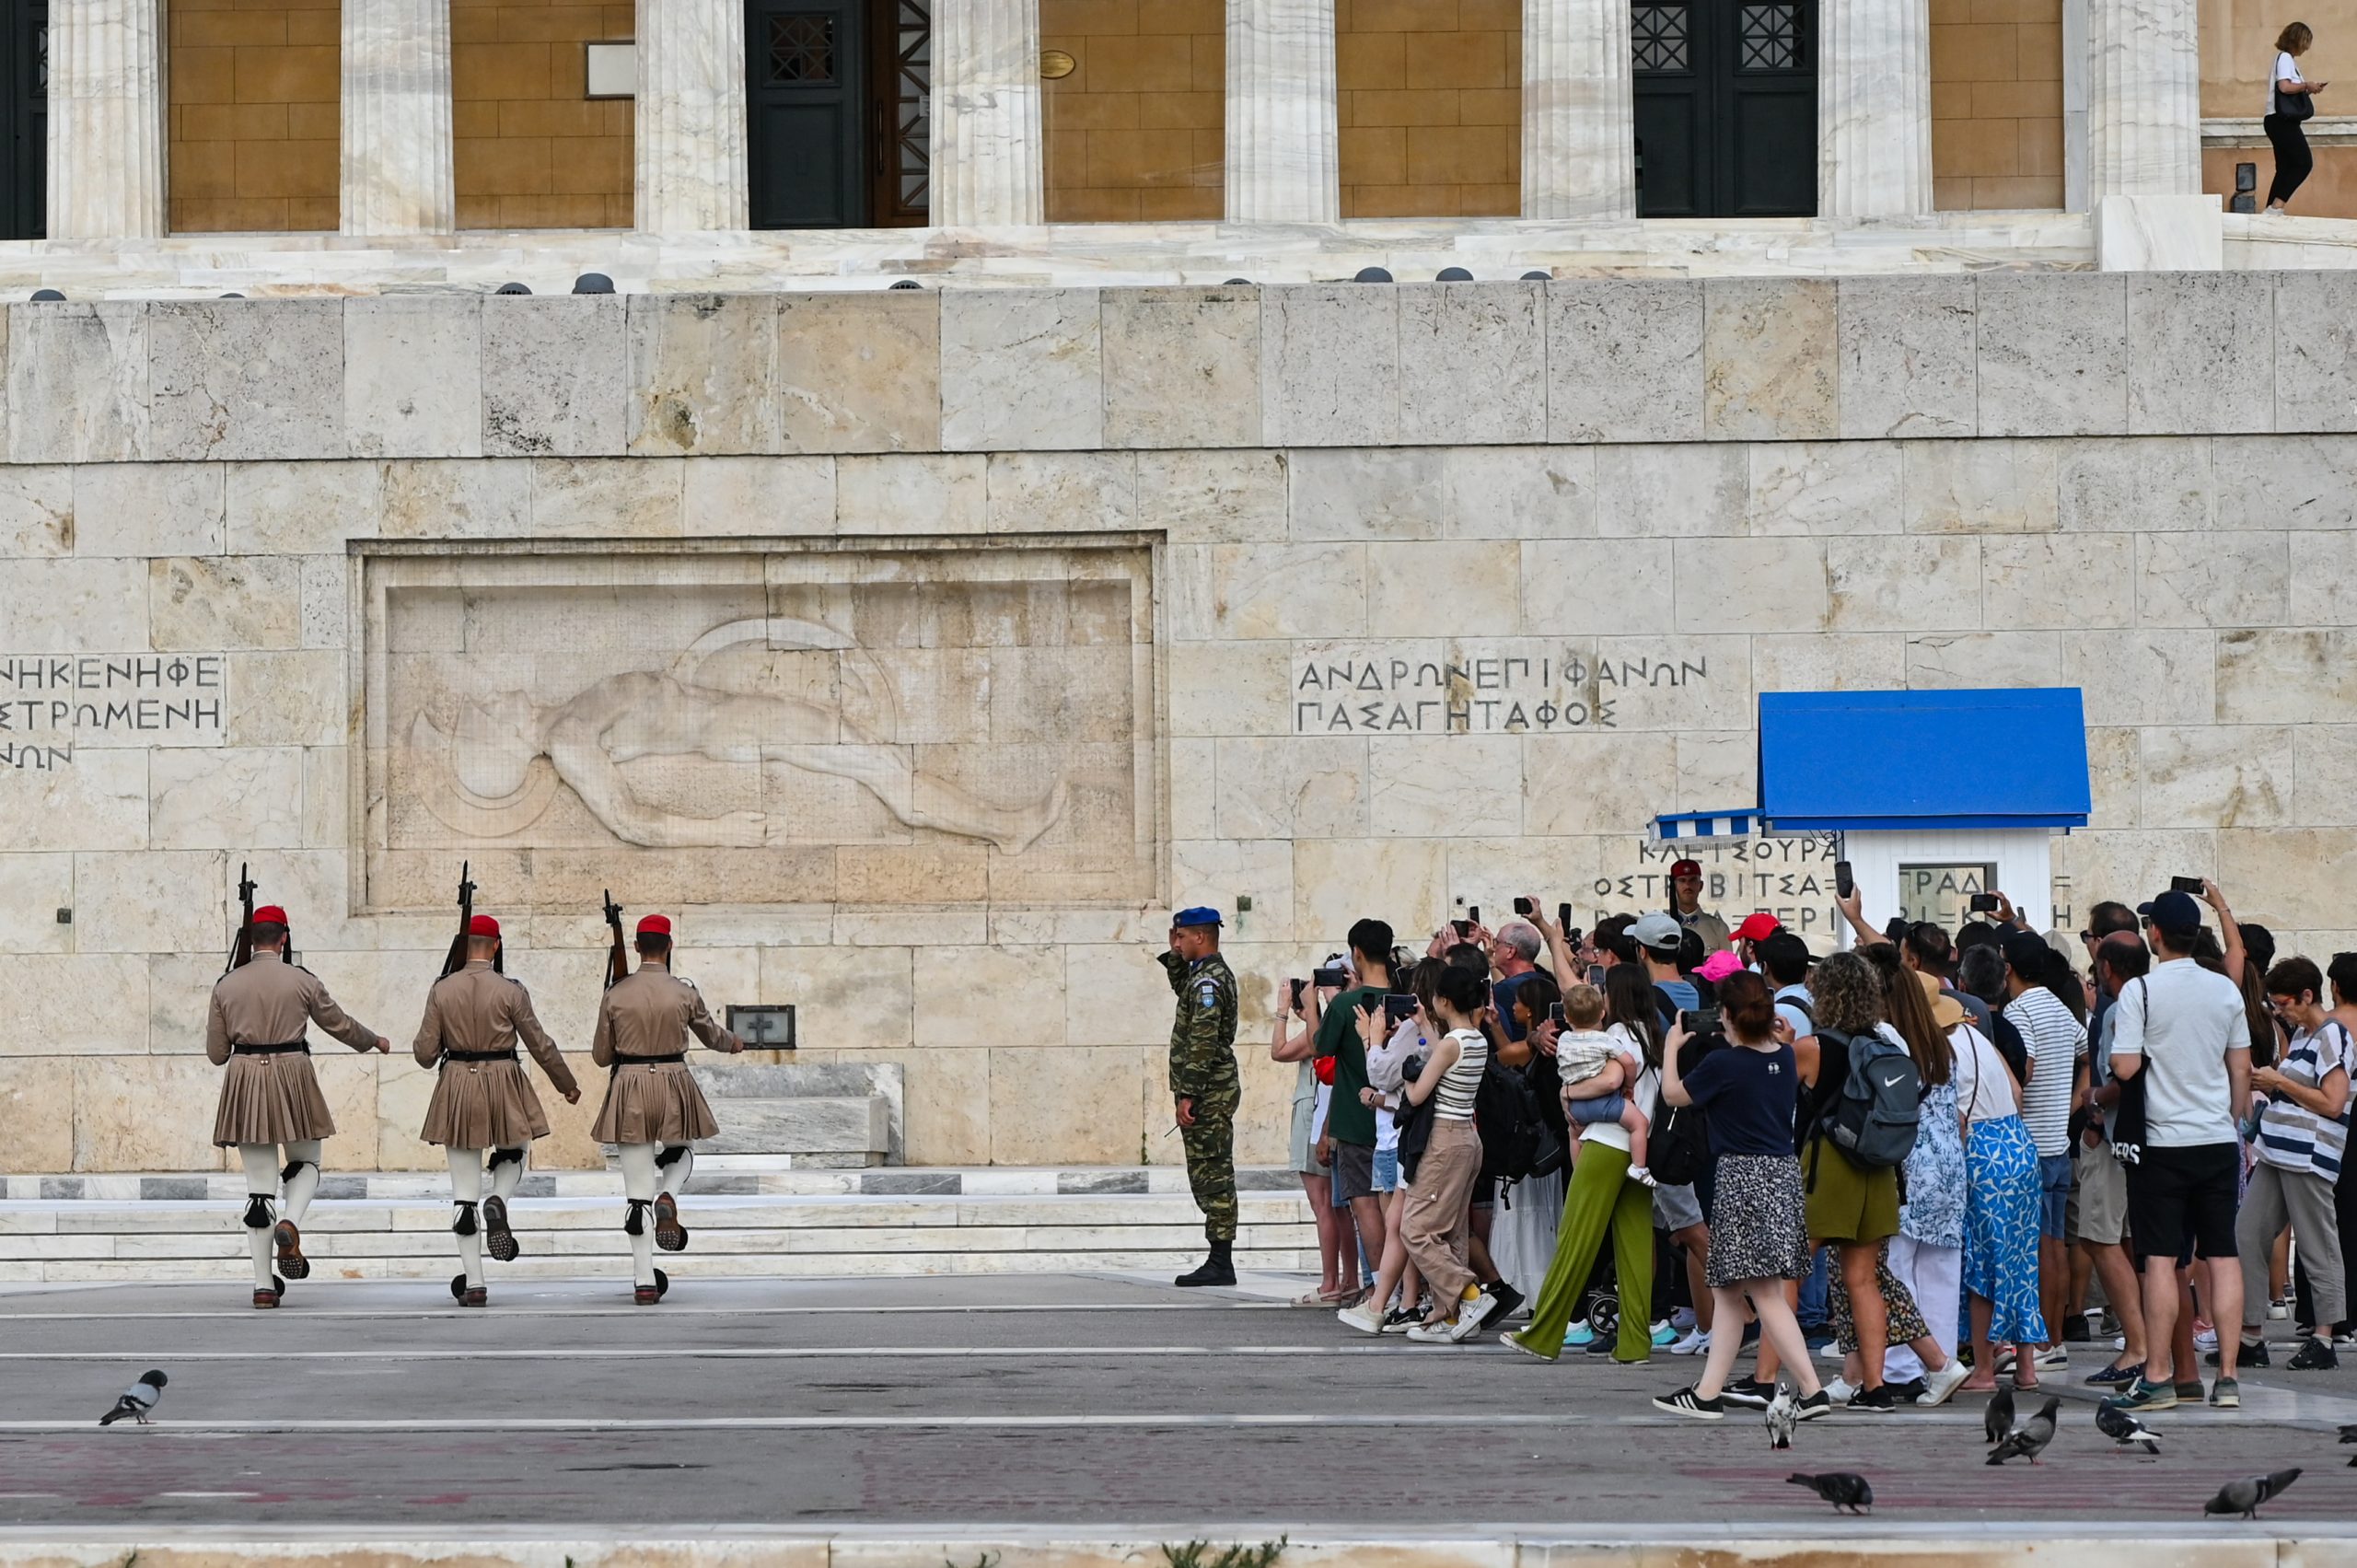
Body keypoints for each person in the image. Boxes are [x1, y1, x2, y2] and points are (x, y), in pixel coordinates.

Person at [1652, 972, 1833, 1420]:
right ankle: (1708, 1391)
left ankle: (1812, 1390)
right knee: (1730, 1289)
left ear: (1726, 1015)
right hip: (1781, 1175)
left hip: (1740, 1177)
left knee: (1764, 1292)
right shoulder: (1787, 1059)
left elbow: (1674, 1095)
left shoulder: (1724, 1064)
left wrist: (1672, 1048)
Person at [2106, 887, 2255, 1411]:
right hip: (2217, 1138)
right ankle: (2229, 1377)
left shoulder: (2140, 992)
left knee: (2162, 1260)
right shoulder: (2224, 992)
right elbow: (2241, 1068)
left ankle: (2159, 1373)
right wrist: (2231, 1119)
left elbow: (2124, 1067)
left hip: (2163, 1143)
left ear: (2156, 934)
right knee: (2223, 1255)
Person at [205, 904, 392, 1309]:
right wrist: (373, 1040)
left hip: (245, 1078)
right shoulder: (301, 980)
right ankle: (291, 1221)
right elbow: (338, 1023)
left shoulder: (226, 985)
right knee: (306, 1162)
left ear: (251, 941)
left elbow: (217, 1054)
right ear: (284, 938)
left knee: (258, 1190)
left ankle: (263, 1287)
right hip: (293, 1074)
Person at [412, 913, 582, 1307]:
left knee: (462, 1193)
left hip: (456, 1082)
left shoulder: (442, 989)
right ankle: (500, 1199)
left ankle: (474, 1283)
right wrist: (566, 1084)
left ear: (462, 947)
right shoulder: (511, 990)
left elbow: (424, 1054)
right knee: (515, 1150)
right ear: (496, 946)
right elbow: (540, 1043)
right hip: (503, 1078)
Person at [1506, 962, 1661, 1363]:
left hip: (1605, 1142)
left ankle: (1543, 1334)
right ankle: (1634, 1343)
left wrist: (1568, 1092)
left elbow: (1609, 1081)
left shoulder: (1615, 1034)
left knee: (1575, 1238)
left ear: (1616, 997)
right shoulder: (1651, 1035)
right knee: (1634, 1247)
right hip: (1637, 1147)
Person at [590, 913, 746, 1305]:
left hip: (630, 1083)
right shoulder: (684, 992)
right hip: (674, 1079)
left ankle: (645, 1281)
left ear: (638, 947)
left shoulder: (616, 993)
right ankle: (670, 1193)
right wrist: (734, 1043)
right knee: (682, 1148)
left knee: (635, 1193)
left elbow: (600, 1055)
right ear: (670, 946)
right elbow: (711, 1036)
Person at [1791, 951, 1906, 1409]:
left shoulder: (1812, 1048)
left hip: (1827, 1166)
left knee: (1790, 1274)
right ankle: (1876, 1387)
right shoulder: (1884, 1045)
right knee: (1864, 1280)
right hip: (1877, 1168)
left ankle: (1766, 1378)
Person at [2234, 956, 2351, 1370]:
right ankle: (2250, 1334)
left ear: (2307, 995)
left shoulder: (2331, 1036)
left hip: (2308, 1155)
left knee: (2318, 1244)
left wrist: (2278, 1081)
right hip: (2280, 1151)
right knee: (2247, 1233)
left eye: (2284, 1002)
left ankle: (2324, 1338)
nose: (2280, 1011)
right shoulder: (2303, 1035)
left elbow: (2334, 1103)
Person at [1953, 961, 2048, 1391]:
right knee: (2020, 1262)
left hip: (1982, 1152)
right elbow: (2016, 1092)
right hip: (2018, 1145)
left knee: (1981, 1266)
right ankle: (2026, 1369)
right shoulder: (1978, 1038)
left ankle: (1985, 1370)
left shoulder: (1941, 1049)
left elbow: (1953, 1117)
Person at [1398, 964, 1498, 1342]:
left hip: (1444, 1140)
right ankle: (1449, 1316)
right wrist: (1425, 1027)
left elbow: (1417, 1094)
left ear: (1443, 1000)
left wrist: (1409, 1076)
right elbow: (1447, 1053)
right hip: (1469, 1140)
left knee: (1416, 1228)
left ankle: (1469, 1295)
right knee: (1453, 1230)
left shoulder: (1451, 1043)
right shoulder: (1476, 1038)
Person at [2002, 929, 2087, 1375]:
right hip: (2058, 1142)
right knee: (2055, 1244)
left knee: (2034, 1248)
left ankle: (2039, 1341)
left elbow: (2027, 1068)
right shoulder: (2058, 1004)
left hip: (2030, 1143)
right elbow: (2088, 1051)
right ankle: (2055, 1340)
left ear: (2008, 968)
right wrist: (2073, 1101)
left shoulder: (2019, 1011)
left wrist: (2012, 1091)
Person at [2079, 933, 2153, 1388]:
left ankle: (2138, 1348)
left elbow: (2123, 1076)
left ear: (2107, 968)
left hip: (2115, 1137)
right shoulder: (2156, 1003)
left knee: (2099, 1239)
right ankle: (2147, 1343)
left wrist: (2092, 1100)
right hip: (2148, 1140)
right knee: (2129, 1244)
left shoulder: (2119, 1012)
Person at [1157, 906, 1241, 1288]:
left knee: (1213, 1172)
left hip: (1209, 1092)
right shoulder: (1201, 977)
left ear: (1200, 937)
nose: (1177, 943)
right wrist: (1175, 955)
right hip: (1208, 1090)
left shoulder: (1209, 983)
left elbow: (1204, 1041)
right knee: (1206, 1171)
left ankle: (1221, 1260)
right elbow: (1183, 990)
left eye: (1182, 937)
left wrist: (1189, 1093)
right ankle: (1218, 1257)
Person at [1314, 920, 1397, 1298]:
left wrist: (1311, 1007)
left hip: (1355, 1120)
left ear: (1357, 954)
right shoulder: (1406, 998)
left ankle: (1382, 1289)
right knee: (1397, 1212)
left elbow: (1322, 1048)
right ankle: (1405, 1290)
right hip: (1399, 1118)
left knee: (1367, 1211)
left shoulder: (1347, 1004)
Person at [1273, 971, 1355, 1307]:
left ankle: (1330, 1282)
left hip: (1314, 1112)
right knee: (1339, 1207)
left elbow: (1278, 1051)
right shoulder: (1334, 1024)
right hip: (1325, 1112)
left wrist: (1282, 1011)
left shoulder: (1319, 1030)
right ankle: (1348, 1280)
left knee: (1325, 1205)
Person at [1556, 981, 1656, 1184]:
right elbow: (1628, 1063)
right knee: (1639, 1124)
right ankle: (1639, 1167)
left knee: (1574, 1135)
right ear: (1602, 1013)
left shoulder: (1564, 1039)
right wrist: (1628, 1086)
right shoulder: (1605, 1039)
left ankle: (1578, 1175)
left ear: (1566, 1017)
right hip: (1605, 1102)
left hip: (1576, 1107)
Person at [2265, 21, 2326, 214]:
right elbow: (2284, 87)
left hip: (2277, 120)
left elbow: (2289, 91)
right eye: (2306, 42)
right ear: (2298, 40)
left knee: (2284, 168)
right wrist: (2306, 85)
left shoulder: (2286, 60)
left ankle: (2269, 212)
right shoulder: (2284, 59)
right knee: (2303, 163)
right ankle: (2277, 207)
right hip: (2282, 121)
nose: (2306, 48)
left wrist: (2308, 89)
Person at [1666, 860, 1732, 952]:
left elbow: (1727, 964)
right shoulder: (1663, 927)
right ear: (1674, 886)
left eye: (1692, 880)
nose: (1687, 885)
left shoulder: (1718, 928)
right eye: (1682, 880)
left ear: (1700, 886)